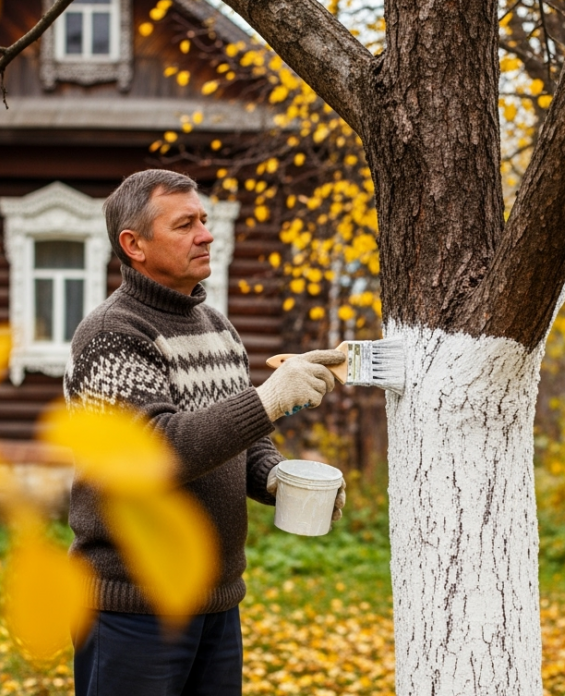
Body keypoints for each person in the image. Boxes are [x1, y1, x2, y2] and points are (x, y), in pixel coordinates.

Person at [64, 169, 346, 696]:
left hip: (216, 604)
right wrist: (269, 398)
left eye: (205, 220)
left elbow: (246, 444)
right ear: (135, 245)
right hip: (133, 607)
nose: (206, 234)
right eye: (185, 224)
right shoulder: (110, 335)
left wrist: (281, 479)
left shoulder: (217, 327)